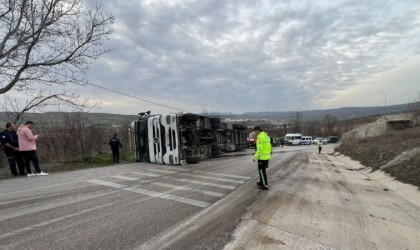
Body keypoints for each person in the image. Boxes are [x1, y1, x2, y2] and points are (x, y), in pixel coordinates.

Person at [253, 126, 272, 190]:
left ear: (258, 130)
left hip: (262, 157)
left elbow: (259, 149)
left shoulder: (260, 137)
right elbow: (269, 147)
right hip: (266, 157)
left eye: (255, 131)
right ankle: (261, 182)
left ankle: (265, 185)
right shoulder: (266, 136)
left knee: (262, 171)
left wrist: (255, 157)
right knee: (262, 171)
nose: (255, 133)